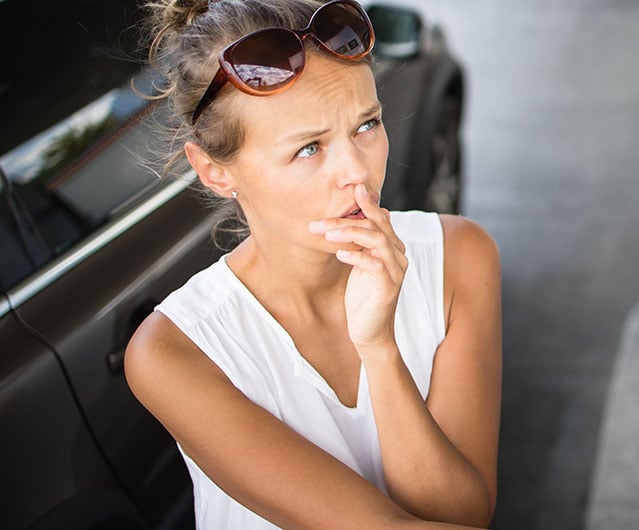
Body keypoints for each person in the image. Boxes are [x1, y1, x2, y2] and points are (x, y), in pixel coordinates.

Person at [126, 0, 500, 527]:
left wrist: (380, 351)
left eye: (366, 125)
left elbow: (463, 513)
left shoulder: (459, 257)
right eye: (308, 149)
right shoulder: (174, 350)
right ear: (214, 172)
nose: (357, 172)